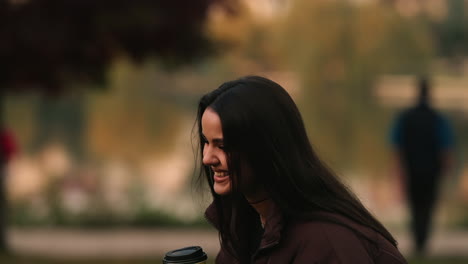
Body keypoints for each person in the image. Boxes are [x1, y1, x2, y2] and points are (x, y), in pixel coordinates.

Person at [196, 76, 406, 263]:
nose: (207, 158)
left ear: (267, 147)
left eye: (222, 146)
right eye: (206, 142)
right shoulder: (244, 226)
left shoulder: (328, 243)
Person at [390, 77, 454, 255]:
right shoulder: (437, 118)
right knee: (428, 205)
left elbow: (397, 146)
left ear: (416, 93)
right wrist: (447, 169)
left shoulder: (405, 118)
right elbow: (445, 146)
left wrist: (397, 169)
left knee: (414, 205)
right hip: (432, 170)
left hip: (412, 169)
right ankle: (423, 241)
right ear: (430, 94)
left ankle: (418, 240)